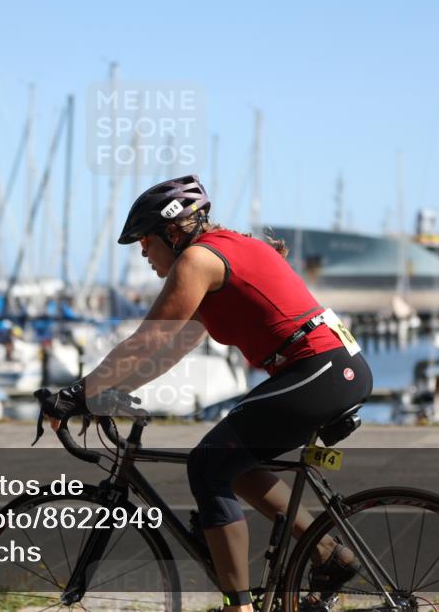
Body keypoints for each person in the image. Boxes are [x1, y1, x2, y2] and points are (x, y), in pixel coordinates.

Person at [41, 174, 373, 611]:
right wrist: (111, 392)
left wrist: (77, 394)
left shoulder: (198, 261)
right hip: (329, 368)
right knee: (232, 464)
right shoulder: (220, 255)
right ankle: (327, 554)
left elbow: (145, 341)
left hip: (320, 369)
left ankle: (240, 606)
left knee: (207, 464)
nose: (142, 252)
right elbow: (166, 350)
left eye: (145, 240)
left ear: (173, 232)